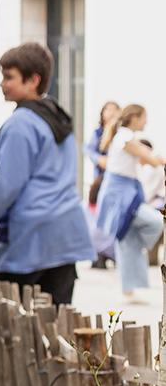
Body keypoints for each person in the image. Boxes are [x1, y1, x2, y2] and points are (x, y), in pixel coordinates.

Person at [0, 43, 95, 305]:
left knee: (6, 321)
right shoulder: (59, 120)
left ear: (33, 80)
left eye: (9, 77)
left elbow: (7, 187)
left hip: (31, 237)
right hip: (66, 236)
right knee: (56, 327)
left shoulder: (20, 125)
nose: (2, 84)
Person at [94, 104, 166, 301]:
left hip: (125, 192)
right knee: (155, 222)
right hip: (121, 194)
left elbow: (145, 154)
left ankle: (129, 289)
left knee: (127, 239)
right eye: (144, 117)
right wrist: (156, 159)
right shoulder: (125, 137)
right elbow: (148, 158)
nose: (146, 122)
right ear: (134, 117)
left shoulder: (124, 136)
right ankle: (130, 285)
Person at [87, 100, 121, 267]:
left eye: (115, 110)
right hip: (100, 181)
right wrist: (100, 159)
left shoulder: (121, 134)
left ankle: (109, 252)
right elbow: (90, 151)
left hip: (114, 182)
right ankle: (99, 253)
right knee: (98, 217)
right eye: (108, 110)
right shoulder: (97, 133)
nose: (111, 113)